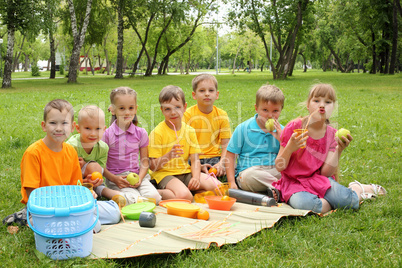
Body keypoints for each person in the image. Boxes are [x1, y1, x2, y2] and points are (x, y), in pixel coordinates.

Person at [2, 99, 120, 231]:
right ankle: (27, 216)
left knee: (114, 213)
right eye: (53, 123)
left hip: (69, 203)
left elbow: (75, 185)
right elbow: (32, 194)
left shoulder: (70, 151)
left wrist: (86, 192)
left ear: (72, 127)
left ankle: (77, 222)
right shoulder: (33, 153)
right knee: (92, 225)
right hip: (45, 207)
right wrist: (61, 207)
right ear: (44, 125)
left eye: (64, 123)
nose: (59, 128)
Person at [273, 84, 387, 214]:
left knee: (350, 202)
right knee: (304, 204)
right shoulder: (294, 127)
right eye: (316, 101)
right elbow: (279, 166)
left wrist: (339, 150)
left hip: (318, 180)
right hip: (294, 183)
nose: (322, 105)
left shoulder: (332, 135)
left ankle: (357, 189)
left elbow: (325, 173)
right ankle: (332, 201)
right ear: (308, 105)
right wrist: (290, 148)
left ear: (333, 107)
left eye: (328, 102)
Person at [148, 85, 221, 201]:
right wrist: (169, 156)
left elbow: (195, 159)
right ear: (162, 110)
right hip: (165, 175)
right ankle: (153, 192)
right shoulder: (157, 133)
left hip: (185, 172)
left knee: (218, 188)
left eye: (177, 107)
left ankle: (185, 190)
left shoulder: (189, 131)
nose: (173, 112)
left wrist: (196, 178)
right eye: (167, 109)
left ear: (184, 107)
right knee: (185, 197)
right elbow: (152, 166)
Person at [102, 87, 161, 205]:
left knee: (155, 198)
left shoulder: (141, 133)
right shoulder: (107, 134)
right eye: (122, 108)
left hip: (137, 176)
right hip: (118, 178)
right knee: (134, 200)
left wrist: (140, 178)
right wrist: (114, 179)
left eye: (131, 108)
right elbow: (100, 165)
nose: (127, 112)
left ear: (136, 109)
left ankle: (140, 195)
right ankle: (104, 191)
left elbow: (145, 162)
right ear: (113, 110)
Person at [225, 85, 284, 200]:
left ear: (281, 109)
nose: (270, 115)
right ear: (256, 108)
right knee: (250, 176)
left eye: (275, 111)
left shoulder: (282, 130)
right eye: (265, 110)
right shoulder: (243, 128)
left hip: (273, 170)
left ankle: (271, 190)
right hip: (250, 172)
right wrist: (231, 182)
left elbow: (286, 160)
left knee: (289, 172)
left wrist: (282, 141)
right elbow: (230, 156)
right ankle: (283, 187)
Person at [66, 105, 123, 200]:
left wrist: (98, 179)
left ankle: (104, 191)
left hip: (92, 181)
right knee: (93, 167)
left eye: (98, 129)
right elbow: (66, 173)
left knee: (96, 169)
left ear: (104, 129)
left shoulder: (103, 148)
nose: (93, 133)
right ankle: (85, 191)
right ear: (78, 128)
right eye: (88, 128)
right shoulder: (71, 147)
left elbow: (100, 170)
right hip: (73, 181)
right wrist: (83, 180)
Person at [183, 74, 231, 177]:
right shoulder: (187, 115)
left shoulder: (222, 115)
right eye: (202, 91)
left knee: (232, 169)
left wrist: (221, 163)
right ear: (194, 95)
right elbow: (185, 144)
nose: (207, 94)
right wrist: (197, 164)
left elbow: (225, 144)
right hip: (194, 158)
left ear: (217, 94)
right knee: (184, 171)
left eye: (211, 90)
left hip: (215, 158)